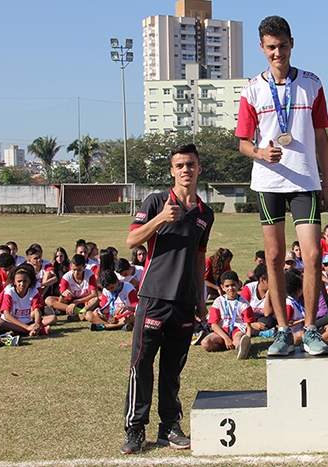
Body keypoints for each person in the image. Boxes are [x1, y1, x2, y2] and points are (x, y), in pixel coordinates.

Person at [235, 15, 328, 357]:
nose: (279, 53)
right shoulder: (252, 89)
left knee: (314, 255)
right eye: (272, 47)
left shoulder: (312, 84)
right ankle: (279, 329)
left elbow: (321, 135)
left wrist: (327, 180)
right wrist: (261, 152)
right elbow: (244, 142)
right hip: (268, 182)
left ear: (292, 44)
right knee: (274, 256)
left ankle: (308, 329)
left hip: (305, 180)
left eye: (284, 46)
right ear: (262, 48)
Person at [122, 142, 214, 455]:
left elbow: (200, 258)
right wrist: (160, 218)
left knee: (173, 368)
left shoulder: (205, 213)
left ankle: (168, 427)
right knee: (141, 364)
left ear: (199, 168)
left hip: (185, 300)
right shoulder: (156, 201)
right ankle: (135, 428)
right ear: (172, 171)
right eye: (180, 165)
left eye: (191, 164)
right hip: (153, 296)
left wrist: (201, 301)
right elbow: (132, 239)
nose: (186, 170)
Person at [200, 270, 254, 359]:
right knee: (205, 343)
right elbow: (214, 325)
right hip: (222, 330)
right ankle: (228, 345)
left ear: (238, 285)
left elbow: (248, 325)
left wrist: (248, 338)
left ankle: (241, 349)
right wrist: (226, 338)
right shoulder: (218, 301)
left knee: (237, 340)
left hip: (238, 330)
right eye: (227, 286)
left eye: (233, 285)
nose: (230, 288)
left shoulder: (244, 303)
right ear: (222, 287)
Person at [0, 264, 55, 337]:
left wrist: (37, 324)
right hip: (13, 323)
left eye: (25, 281)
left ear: (29, 281)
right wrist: (27, 327)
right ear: (14, 282)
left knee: (53, 318)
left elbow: (37, 311)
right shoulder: (9, 293)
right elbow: (7, 315)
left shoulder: (33, 291)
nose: (22, 284)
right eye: (19, 281)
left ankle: (20, 332)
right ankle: (32, 331)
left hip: (28, 322)